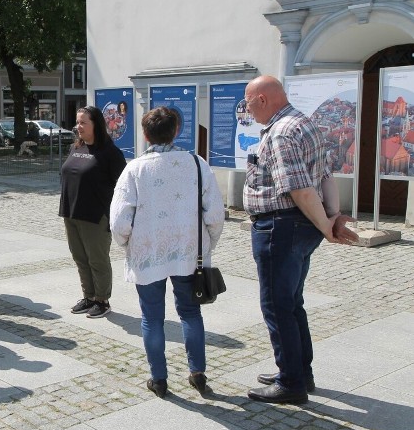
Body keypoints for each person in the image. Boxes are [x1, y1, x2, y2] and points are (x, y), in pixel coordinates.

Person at [242, 75, 358, 405]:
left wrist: (327, 226)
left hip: (281, 228)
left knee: (277, 305)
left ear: (263, 99)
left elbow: (302, 190)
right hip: (297, 227)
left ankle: (292, 382)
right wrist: (332, 217)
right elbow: (324, 176)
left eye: (249, 103)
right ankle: (298, 371)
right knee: (292, 302)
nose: (247, 110)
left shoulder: (280, 132)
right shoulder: (305, 123)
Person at [110, 107, 224, 398]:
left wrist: (127, 245)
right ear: (176, 131)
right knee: (190, 312)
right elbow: (215, 214)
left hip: (148, 253)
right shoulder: (196, 164)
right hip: (187, 251)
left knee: (152, 318)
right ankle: (197, 371)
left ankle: (159, 378)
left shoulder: (134, 169)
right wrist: (208, 243)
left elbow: (119, 220)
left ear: (145, 134)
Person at [59, 105, 127, 318]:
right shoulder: (76, 147)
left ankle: (102, 300)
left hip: (96, 215)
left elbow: (123, 187)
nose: (78, 126)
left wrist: (115, 215)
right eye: (77, 122)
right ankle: (89, 296)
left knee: (97, 259)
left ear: (96, 124)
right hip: (72, 212)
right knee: (80, 257)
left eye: (83, 122)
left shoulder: (110, 153)